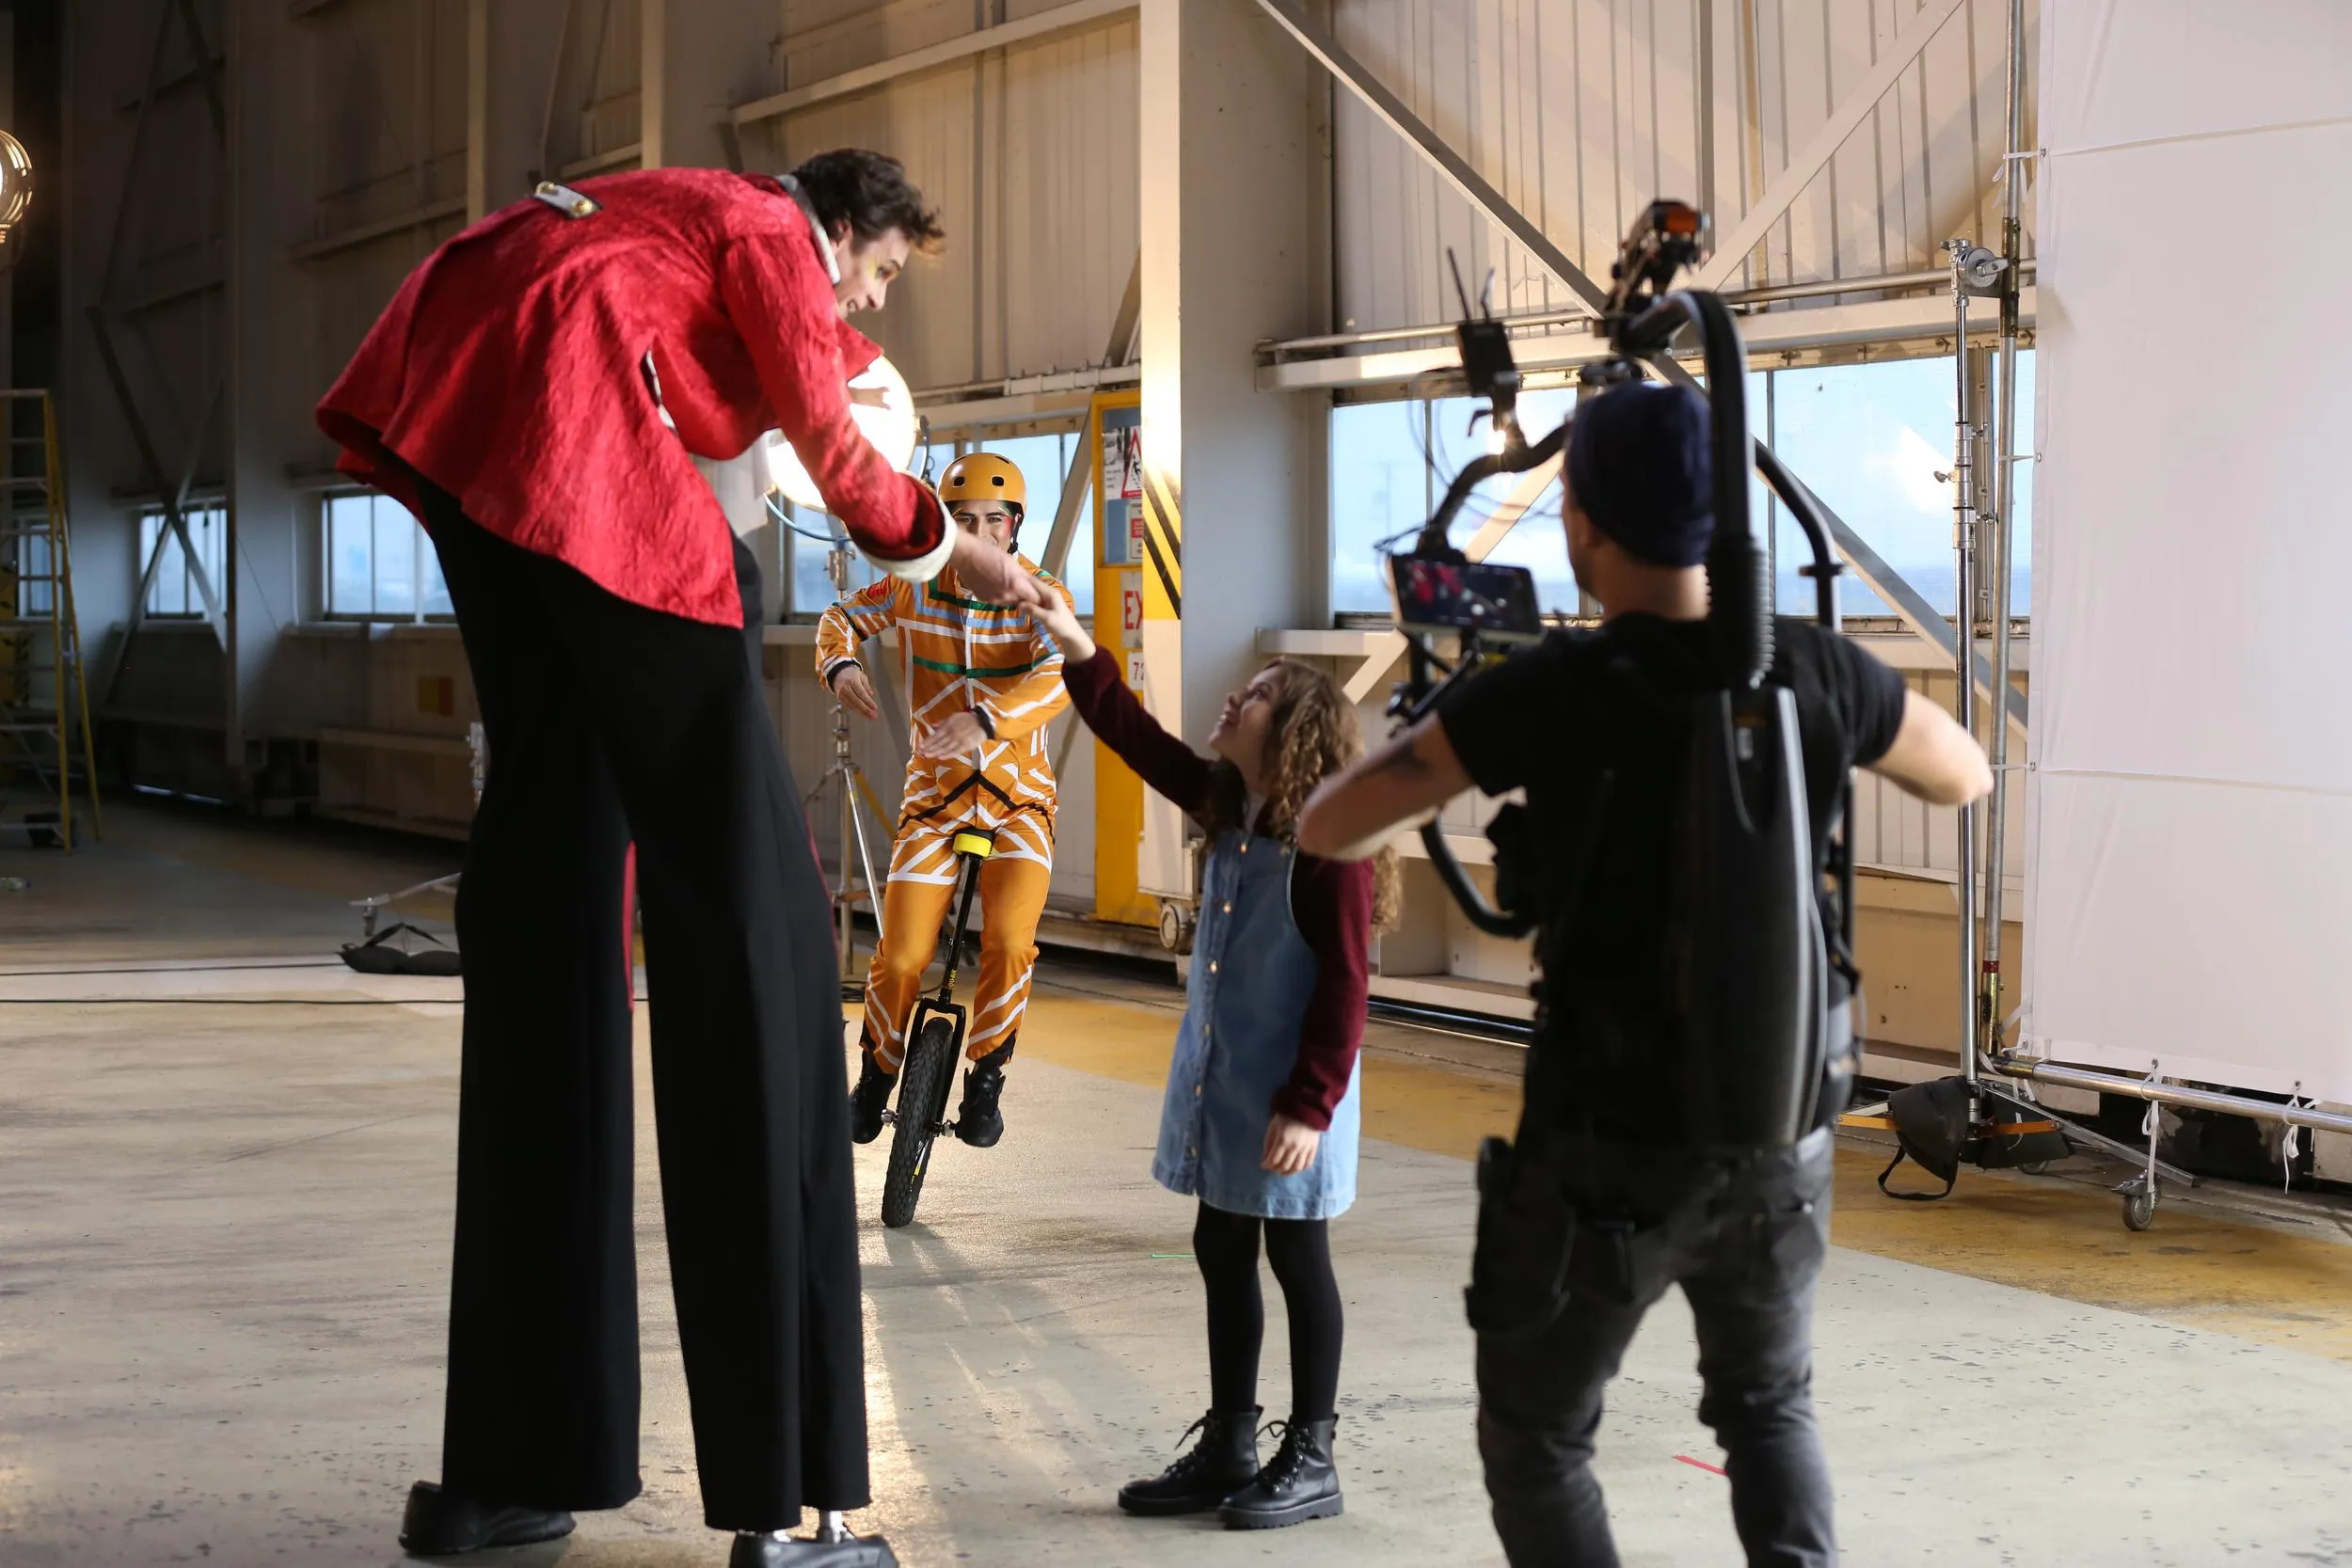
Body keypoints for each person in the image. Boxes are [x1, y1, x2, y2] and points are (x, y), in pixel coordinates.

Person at [317, 150, 1039, 1568]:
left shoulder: (658, 196)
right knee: (758, 946)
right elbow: (836, 452)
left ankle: (513, 1463)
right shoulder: (771, 224)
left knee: (546, 923)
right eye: (879, 271)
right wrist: (958, 549)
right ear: (844, 227)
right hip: (589, 482)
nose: (869, 294)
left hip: (467, 431)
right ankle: (799, 1503)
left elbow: (694, 374)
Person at [1295, 382, 1993, 1568]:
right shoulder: (1817, 670)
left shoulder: (1553, 690)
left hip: (1602, 1155)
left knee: (1539, 1433)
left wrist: (1452, 709)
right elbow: (1966, 774)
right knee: (1770, 1407)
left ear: (1580, 522)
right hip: (1782, 1141)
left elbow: (1327, 823)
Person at [1024, 588, 1400, 1531]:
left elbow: (1346, 985)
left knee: (1296, 1252)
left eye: (1261, 689)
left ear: (1300, 726)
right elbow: (1132, 734)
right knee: (1218, 1240)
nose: (1238, 695)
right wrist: (1075, 641)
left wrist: (1310, 1103)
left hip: (1292, 1092)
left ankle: (1311, 1452)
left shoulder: (1329, 842)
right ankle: (1233, 1440)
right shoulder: (1229, 800)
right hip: (1224, 1080)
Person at [818, 451, 1075, 1148]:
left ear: (1015, 526)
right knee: (900, 956)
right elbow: (840, 615)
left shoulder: (1041, 595)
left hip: (1020, 804)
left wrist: (991, 718)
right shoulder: (915, 586)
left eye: (995, 519)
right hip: (932, 804)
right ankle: (873, 1080)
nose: (981, 531)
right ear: (946, 526)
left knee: (1010, 942)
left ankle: (986, 1078)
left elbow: (1061, 676)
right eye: (964, 520)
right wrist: (839, 665)